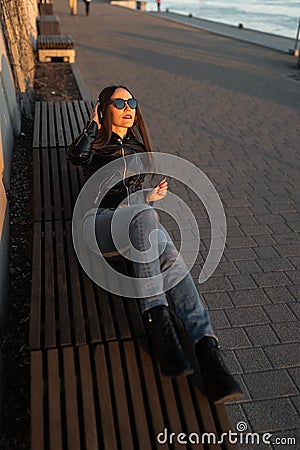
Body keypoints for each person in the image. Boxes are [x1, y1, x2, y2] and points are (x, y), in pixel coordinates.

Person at [66, 85, 243, 404]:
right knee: (152, 226)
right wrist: (92, 125)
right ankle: (160, 322)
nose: (128, 107)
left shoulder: (136, 146)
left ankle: (208, 352)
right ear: (105, 108)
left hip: (132, 222)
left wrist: (145, 198)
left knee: (170, 258)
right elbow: (76, 156)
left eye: (132, 101)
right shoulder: (96, 142)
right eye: (119, 102)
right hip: (96, 224)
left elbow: (130, 202)